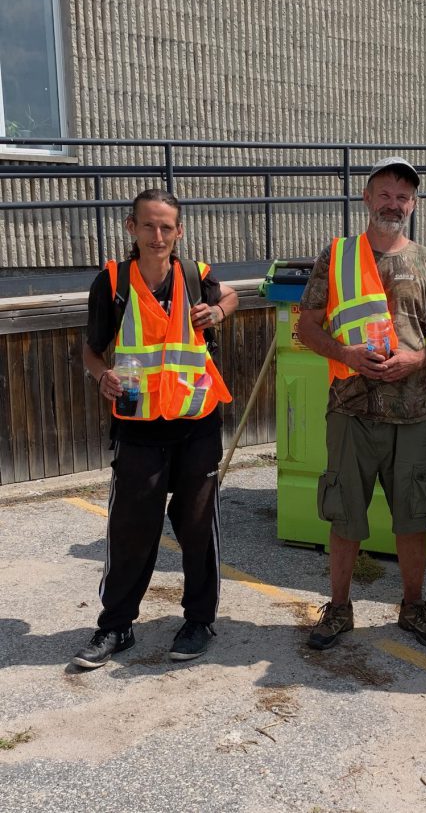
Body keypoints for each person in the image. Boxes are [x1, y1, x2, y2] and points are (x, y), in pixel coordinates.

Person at [297, 156, 426, 650]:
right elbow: (306, 326)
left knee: (413, 516)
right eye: (385, 194)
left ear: (414, 205)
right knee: (345, 515)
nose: (394, 203)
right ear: (367, 198)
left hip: (411, 411)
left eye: (404, 197)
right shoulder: (338, 255)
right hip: (350, 409)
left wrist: (418, 360)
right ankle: (339, 608)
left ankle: (413, 607)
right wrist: (344, 353)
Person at [73, 188, 238, 668]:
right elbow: (92, 349)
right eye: (149, 225)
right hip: (139, 428)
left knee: (197, 526)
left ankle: (199, 621)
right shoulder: (111, 283)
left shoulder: (196, 275)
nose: (158, 235)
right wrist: (100, 375)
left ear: (179, 232)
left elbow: (233, 294)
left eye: (167, 227)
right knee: (131, 530)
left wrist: (221, 311)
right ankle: (115, 626)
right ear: (131, 228)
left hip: (197, 425)